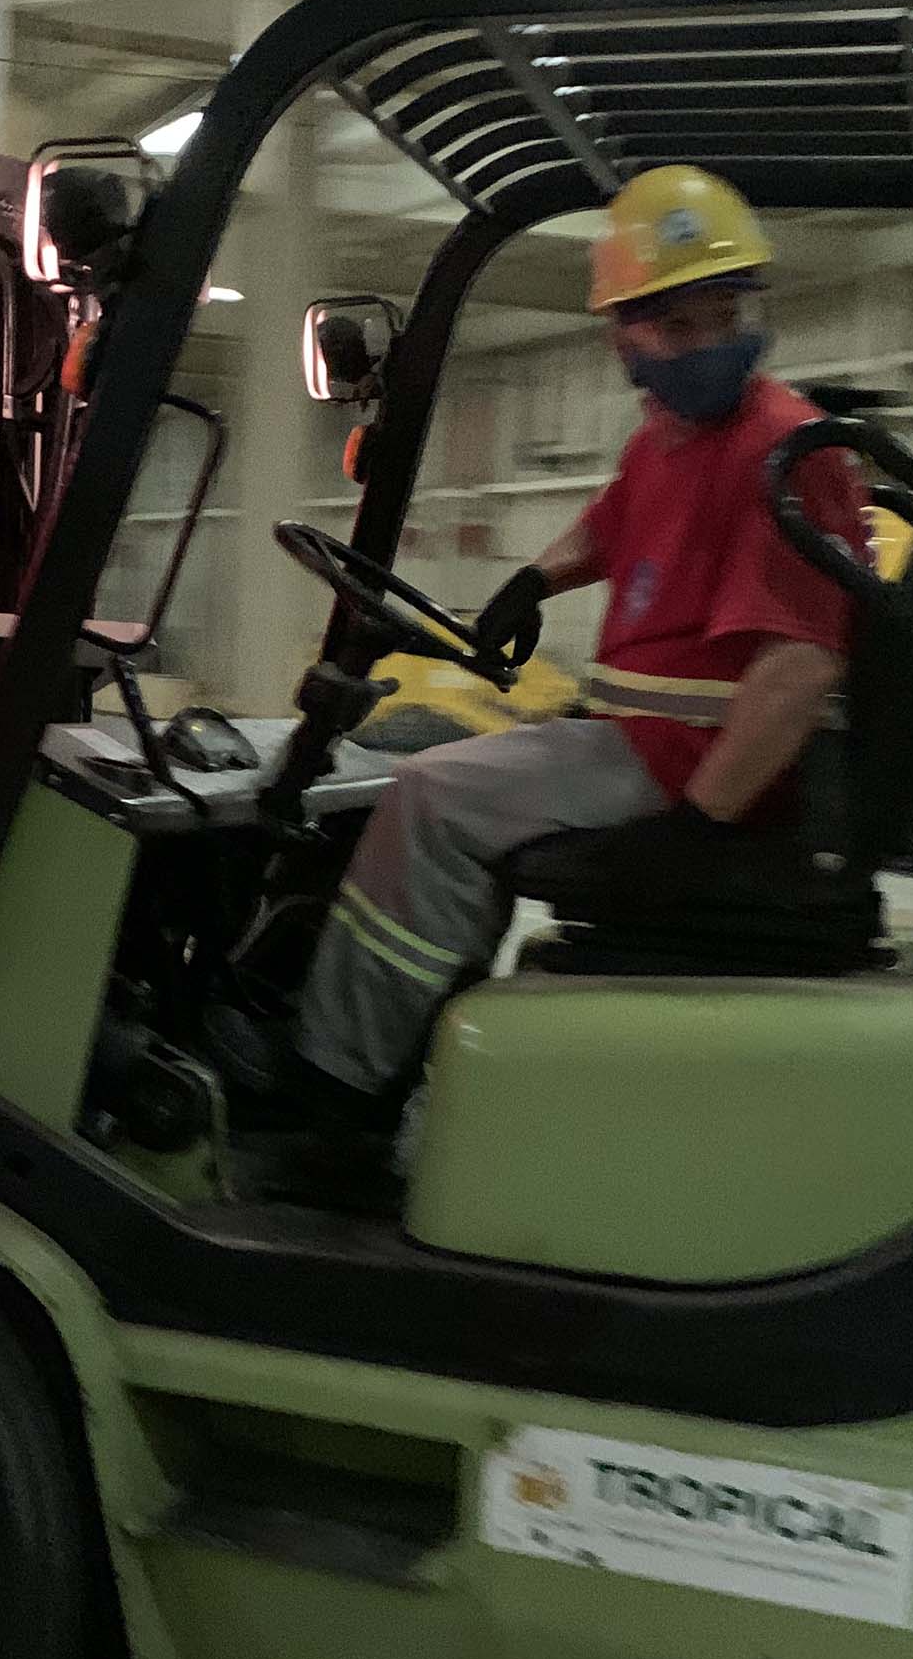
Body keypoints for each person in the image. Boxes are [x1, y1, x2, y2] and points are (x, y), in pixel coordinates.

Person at [248, 165, 872, 1143]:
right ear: (623, 332)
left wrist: (699, 828)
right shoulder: (670, 438)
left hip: (689, 773)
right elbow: (610, 526)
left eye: (726, 314)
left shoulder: (787, 449)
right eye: (680, 321)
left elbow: (799, 667)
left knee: (425, 798)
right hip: (644, 745)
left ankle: (336, 1080)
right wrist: (531, 582)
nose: (712, 342)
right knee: (430, 772)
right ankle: (405, 1047)